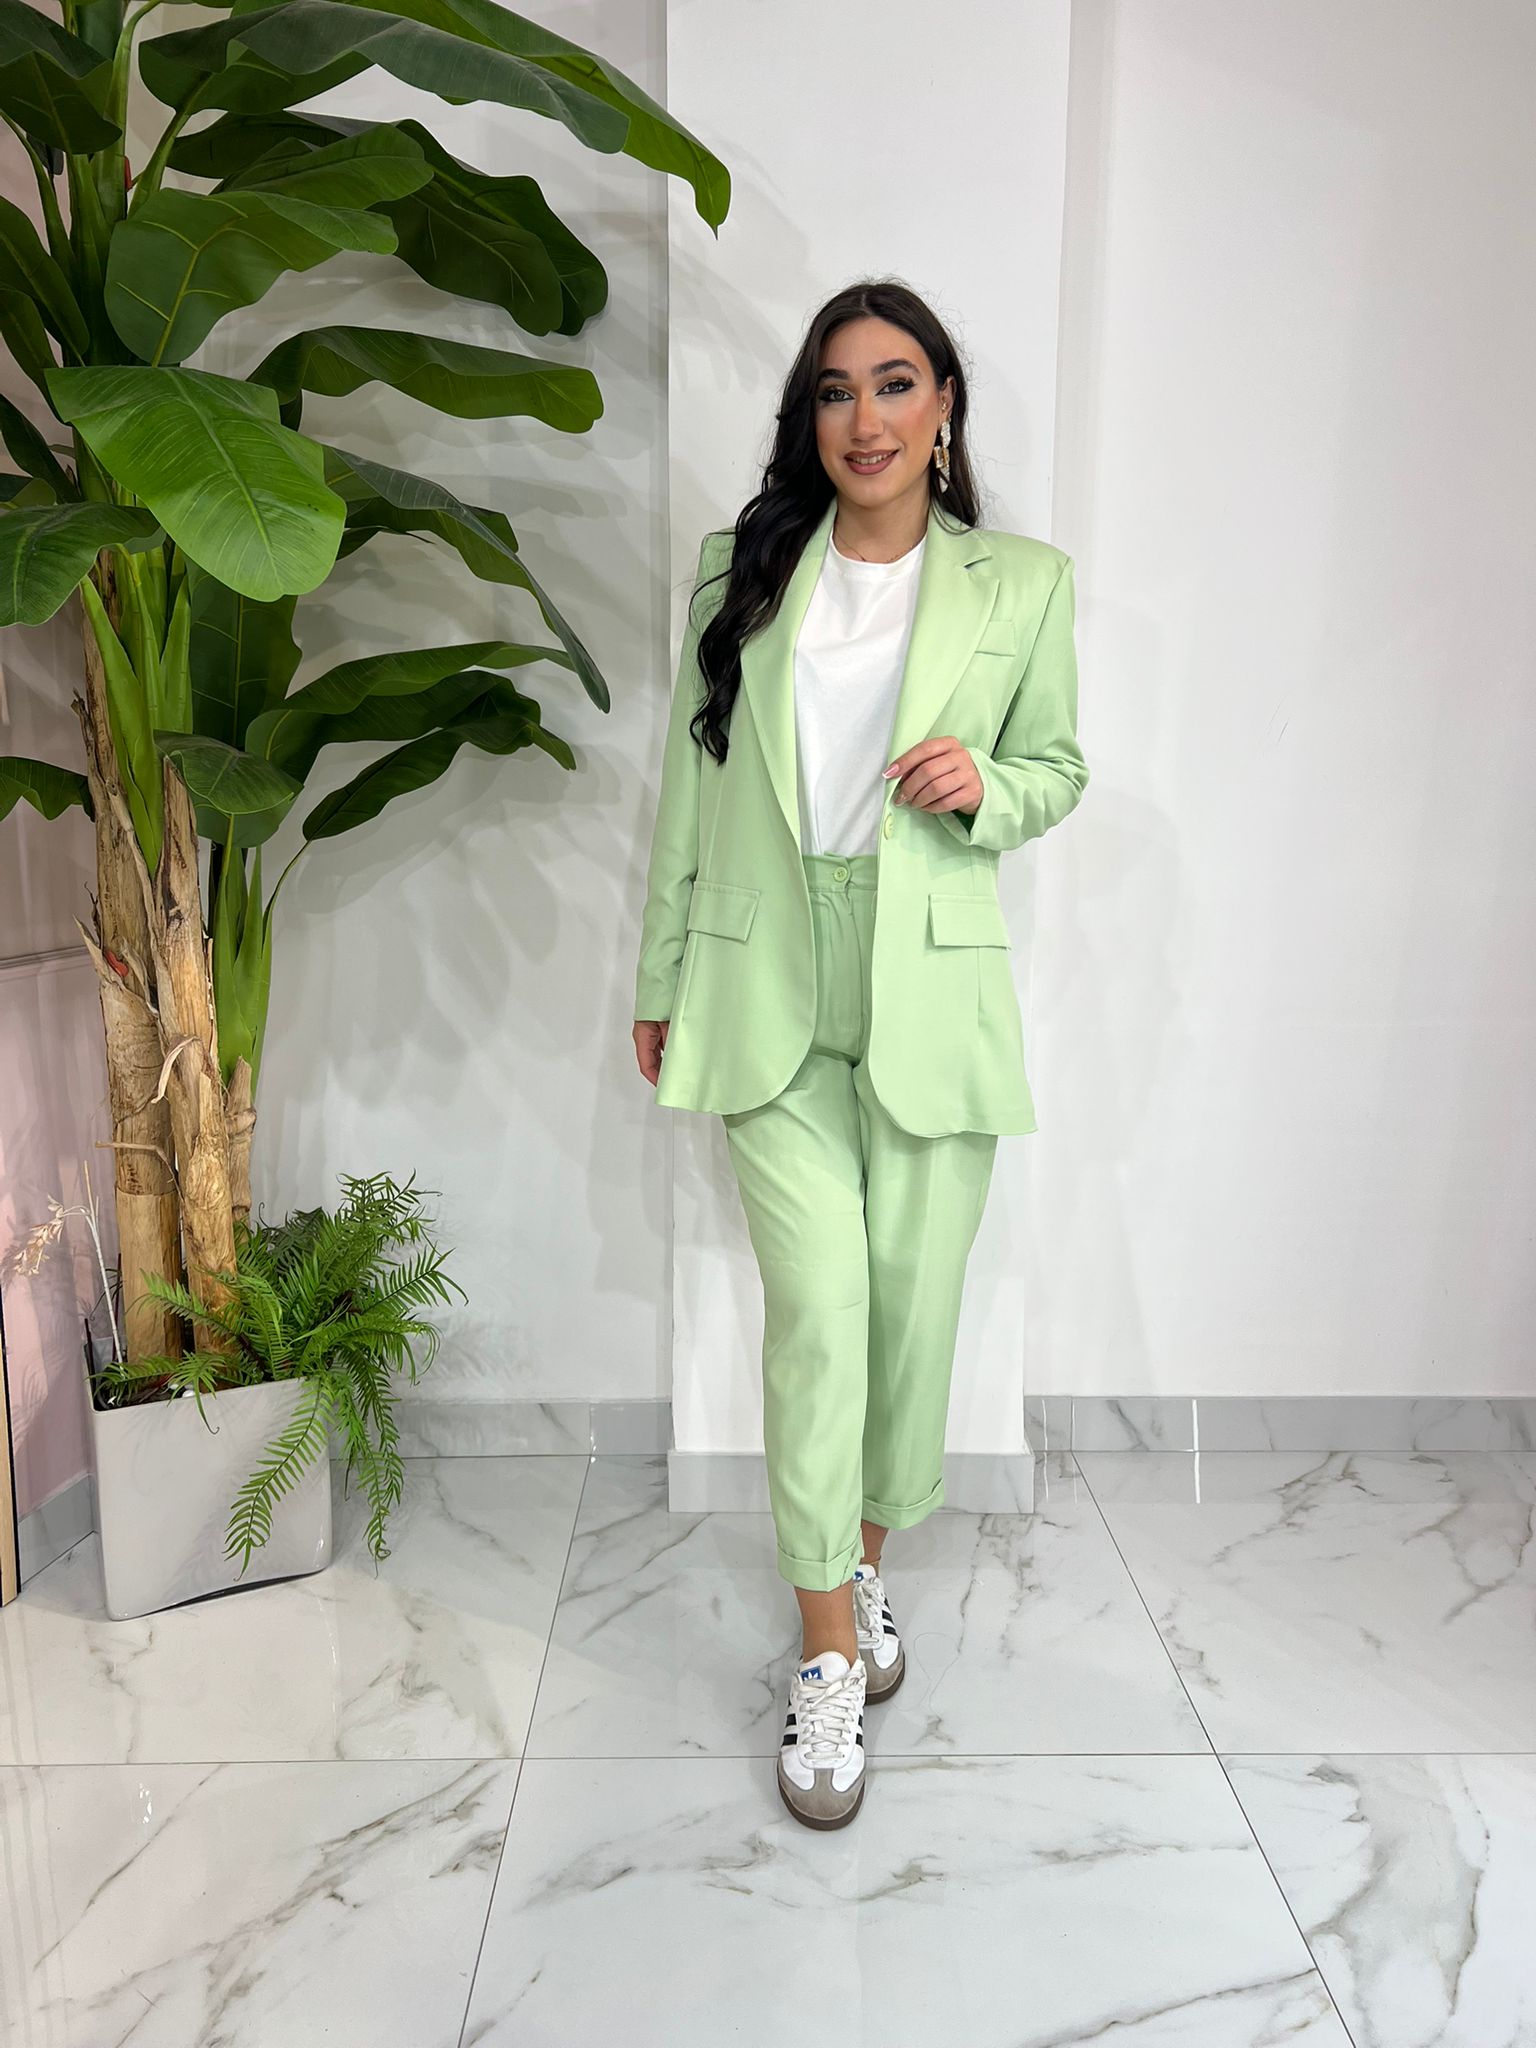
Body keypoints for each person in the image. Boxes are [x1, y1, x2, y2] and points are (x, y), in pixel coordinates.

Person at [631, 279, 1089, 1830]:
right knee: (821, 1315)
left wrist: (988, 789)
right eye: (836, 390)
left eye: (896, 384)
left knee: (907, 1320)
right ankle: (827, 1648)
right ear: (809, 418)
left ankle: (864, 1569)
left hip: (930, 988)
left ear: (944, 406)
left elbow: (1058, 766)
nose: (866, 418)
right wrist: (660, 975)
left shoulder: (1022, 585)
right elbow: (691, 787)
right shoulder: (743, 570)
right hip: (763, 977)